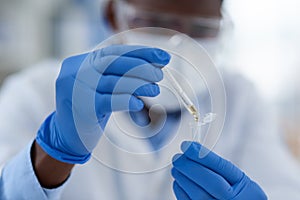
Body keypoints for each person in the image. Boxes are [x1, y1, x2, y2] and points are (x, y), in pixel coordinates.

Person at [1, 0, 300, 199]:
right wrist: (53, 153)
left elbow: (282, 190)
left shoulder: (240, 99)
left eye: (201, 29)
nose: (178, 41)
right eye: (155, 22)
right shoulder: (34, 92)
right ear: (112, 14)